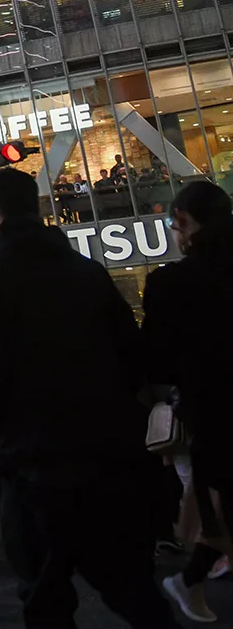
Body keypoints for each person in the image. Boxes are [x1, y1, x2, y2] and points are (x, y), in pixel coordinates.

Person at [0, 167, 180, 629]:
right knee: (129, 583)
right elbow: (131, 354)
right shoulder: (86, 271)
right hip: (105, 453)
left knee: (44, 596)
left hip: (30, 458)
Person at [144, 180, 233, 622]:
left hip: (212, 412)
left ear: (181, 221)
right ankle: (191, 579)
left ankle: (190, 580)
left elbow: (154, 360)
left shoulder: (171, 283)